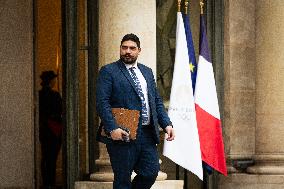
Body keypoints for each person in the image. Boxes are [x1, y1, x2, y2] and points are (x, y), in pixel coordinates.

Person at [96, 33, 175, 189]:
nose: (128, 51)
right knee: (123, 179)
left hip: (147, 134)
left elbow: (156, 101)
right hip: (123, 133)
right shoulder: (109, 71)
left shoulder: (147, 72)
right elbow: (102, 103)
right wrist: (112, 129)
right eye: (124, 47)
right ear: (120, 49)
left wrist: (167, 124)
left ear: (139, 50)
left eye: (132, 48)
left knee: (151, 172)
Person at [39, 70, 62, 189]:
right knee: (52, 158)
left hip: (43, 130)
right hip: (54, 130)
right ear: (51, 81)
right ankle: (51, 182)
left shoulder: (39, 94)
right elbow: (60, 111)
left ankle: (46, 182)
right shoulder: (55, 95)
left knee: (45, 157)